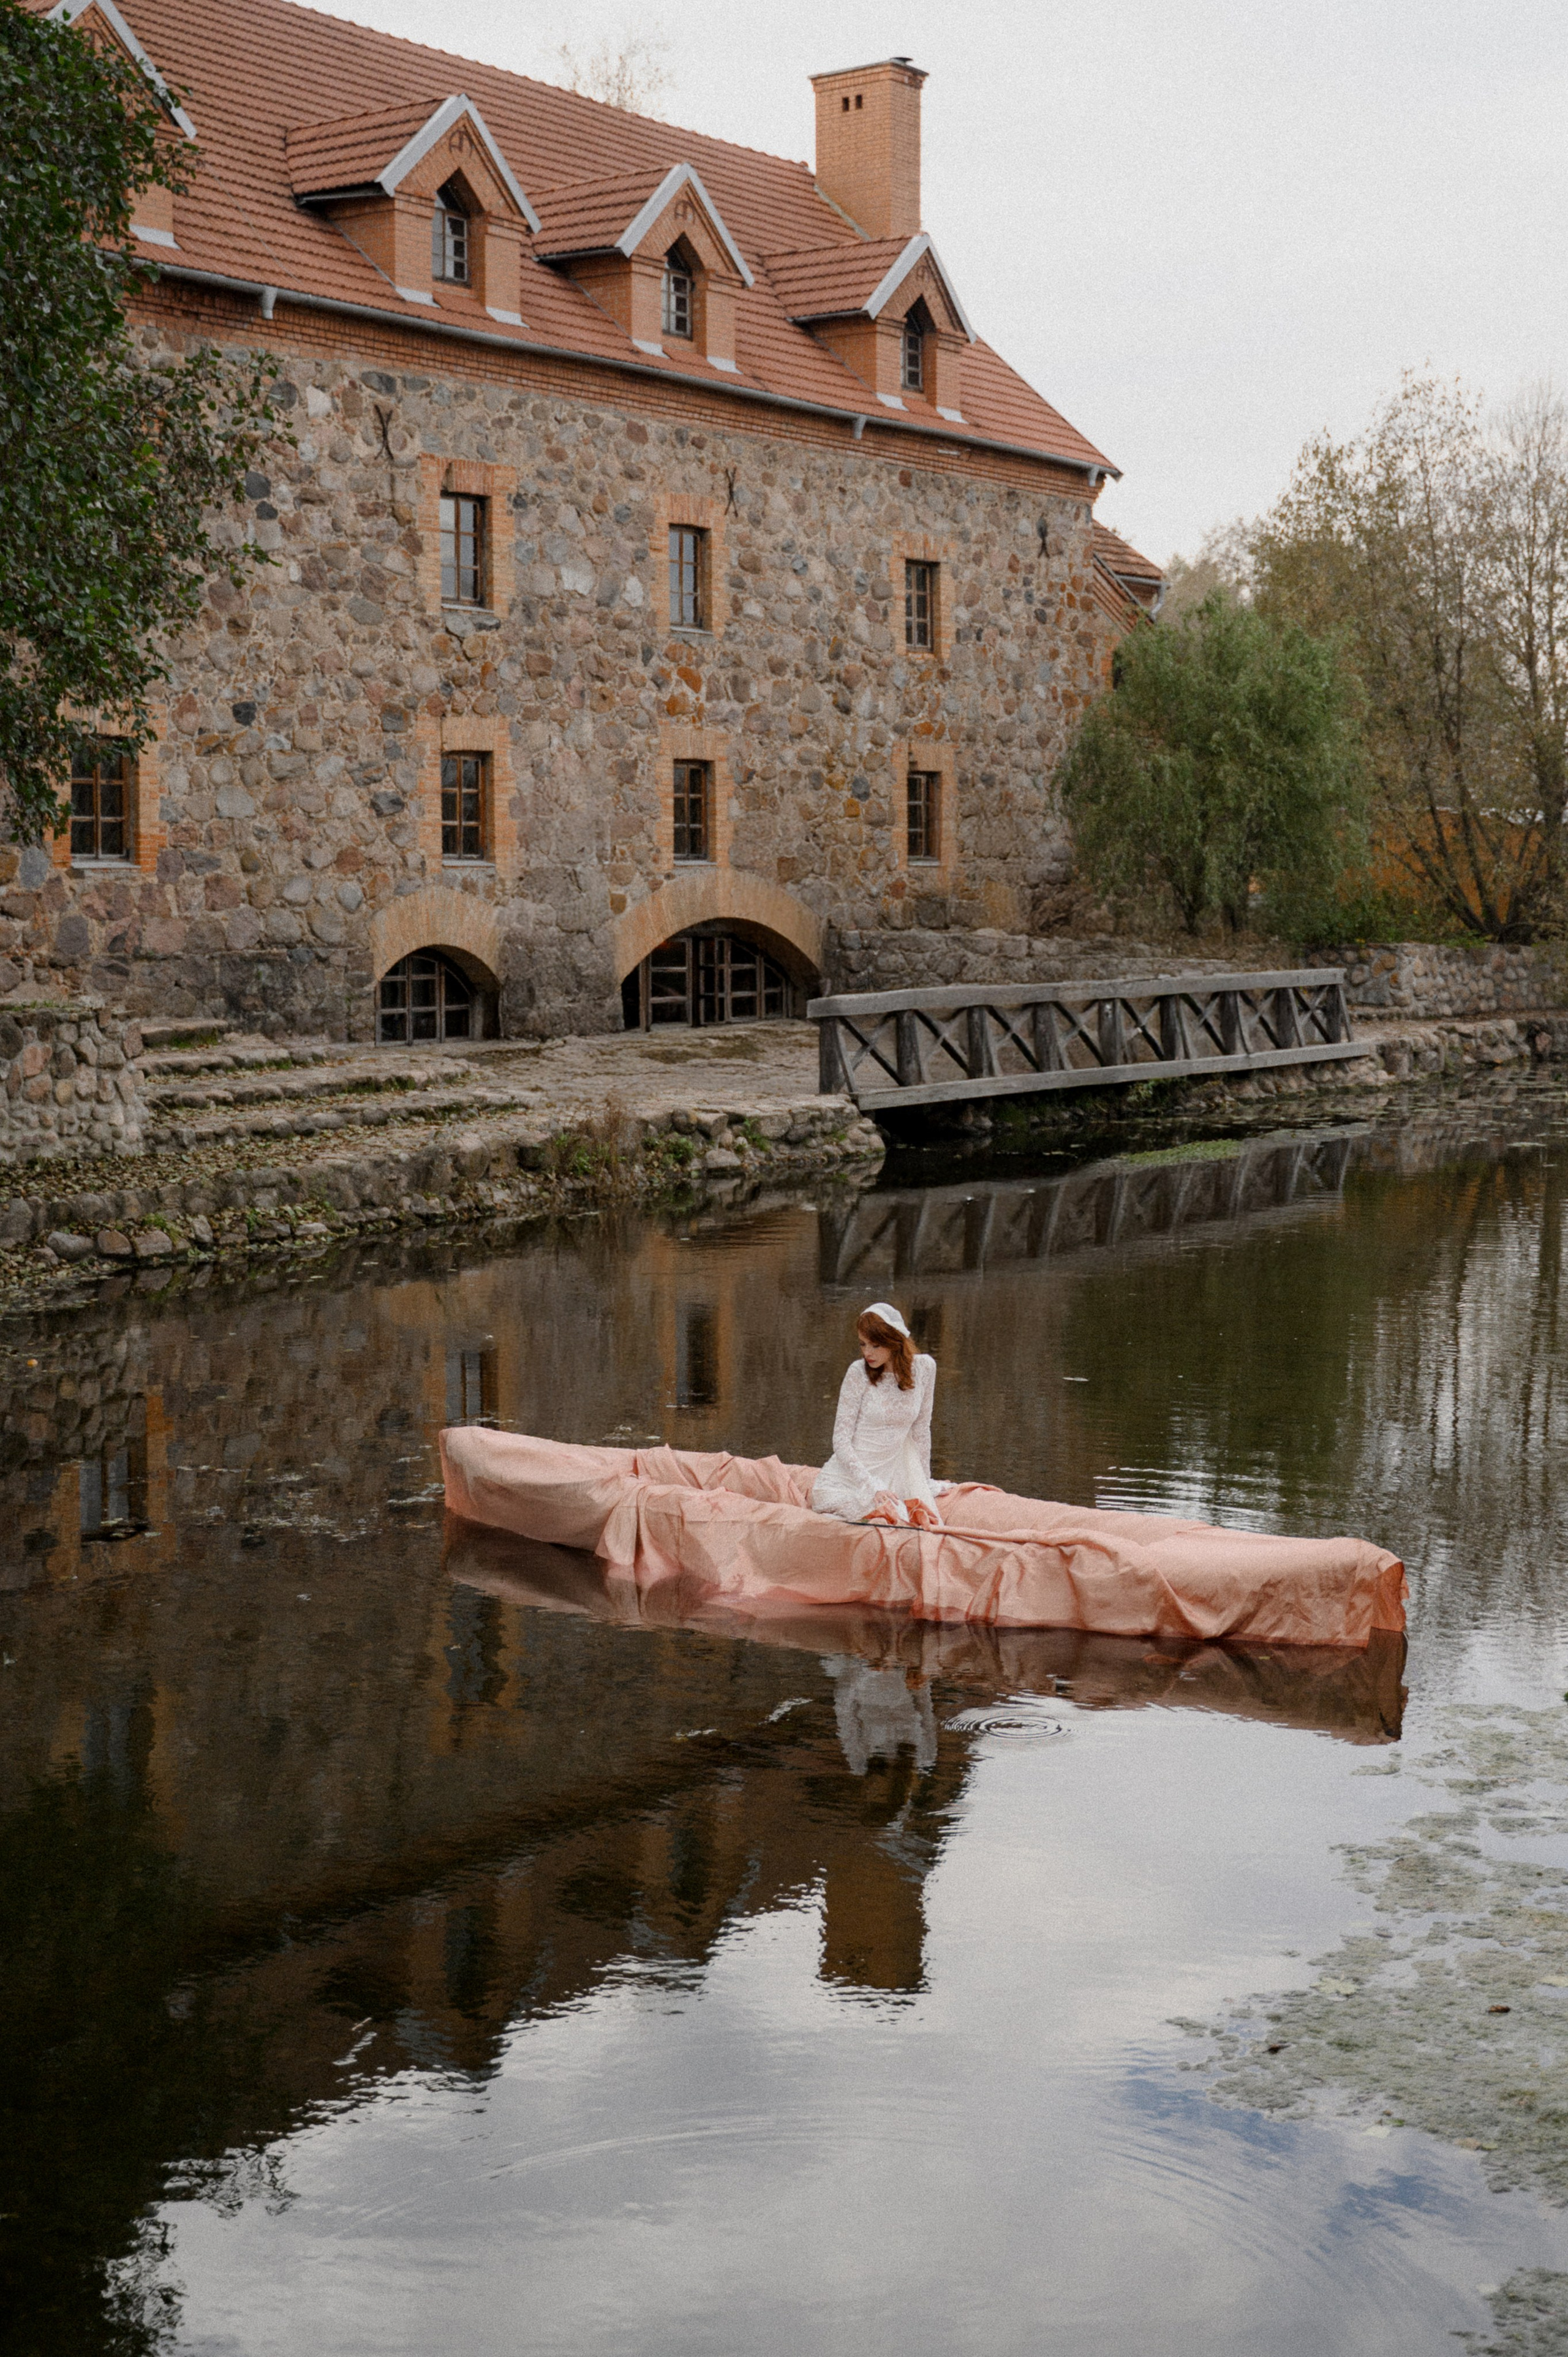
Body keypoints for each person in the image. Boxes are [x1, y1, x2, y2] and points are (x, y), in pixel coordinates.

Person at [810, 1302, 946, 1528]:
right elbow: (841, 1441)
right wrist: (872, 1486)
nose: (867, 1353)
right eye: (863, 1344)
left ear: (893, 1342)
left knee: (912, 1518)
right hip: (853, 1478)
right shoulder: (857, 1372)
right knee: (886, 1516)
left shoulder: (925, 1368)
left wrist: (924, 1479)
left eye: (875, 1346)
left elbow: (921, 1429)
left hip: (896, 1470)